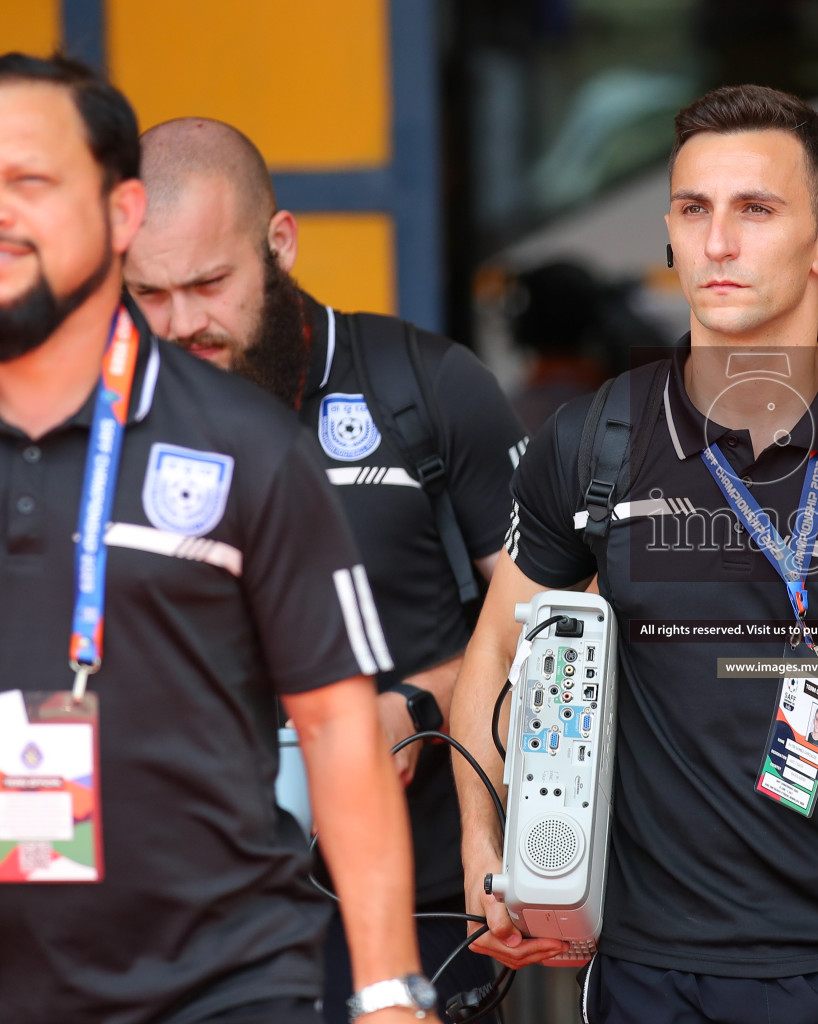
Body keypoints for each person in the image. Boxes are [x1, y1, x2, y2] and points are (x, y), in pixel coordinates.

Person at [454, 85, 818, 1024]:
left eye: (756, 210)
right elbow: (492, 656)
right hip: (653, 973)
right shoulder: (593, 442)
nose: (718, 243)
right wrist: (490, 850)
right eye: (694, 210)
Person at [0, 54, 428, 1024]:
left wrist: (390, 990)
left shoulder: (247, 444)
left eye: (31, 180)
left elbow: (337, 725)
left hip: (218, 984)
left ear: (120, 215)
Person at [122, 117, 526, 1019]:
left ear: (281, 244)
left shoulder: (428, 388)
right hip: (190, 929)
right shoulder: (105, 424)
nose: (184, 322)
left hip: (416, 913)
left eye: (210, 283)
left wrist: (413, 704)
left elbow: (549, 628)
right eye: (148, 293)